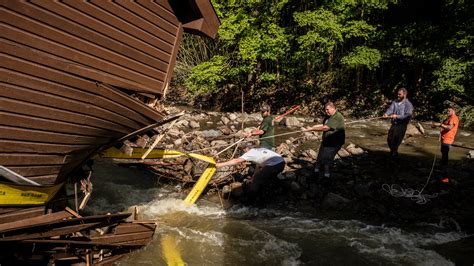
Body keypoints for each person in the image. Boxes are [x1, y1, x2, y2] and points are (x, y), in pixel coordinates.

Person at [215, 143, 285, 203]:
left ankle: (252, 199)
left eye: (243, 150)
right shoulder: (258, 150)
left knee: (258, 179)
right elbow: (258, 166)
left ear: (246, 149)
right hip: (281, 162)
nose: (243, 152)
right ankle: (274, 187)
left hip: (275, 165)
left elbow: (236, 161)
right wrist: (253, 177)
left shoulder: (250, 153)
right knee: (259, 176)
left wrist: (220, 165)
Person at [304, 102, 345, 178]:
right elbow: (323, 125)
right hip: (327, 141)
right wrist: (310, 128)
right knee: (320, 157)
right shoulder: (328, 116)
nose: (326, 111)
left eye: (327, 110)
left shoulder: (337, 116)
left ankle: (327, 176)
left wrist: (312, 129)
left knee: (327, 160)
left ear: (333, 108)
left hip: (334, 143)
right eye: (325, 110)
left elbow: (325, 128)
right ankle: (316, 172)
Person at [383, 88, 413, 158]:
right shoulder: (395, 102)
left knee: (396, 140)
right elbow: (390, 109)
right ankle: (393, 152)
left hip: (402, 125)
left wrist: (397, 116)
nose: (398, 95)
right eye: (398, 94)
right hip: (394, 124)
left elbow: (408, 115)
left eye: (400, 94)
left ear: (404, 94)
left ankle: (394, 155)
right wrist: (386, 114)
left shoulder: (408, 104)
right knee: (389, 139)